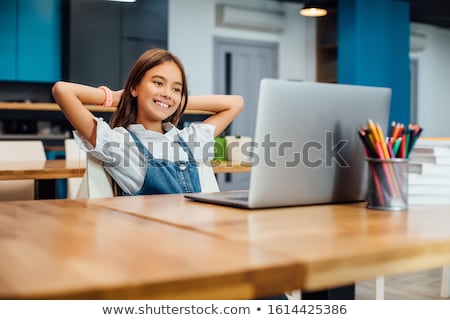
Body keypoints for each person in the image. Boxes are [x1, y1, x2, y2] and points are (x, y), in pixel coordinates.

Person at [52, 48, 243, 196]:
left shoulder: (187, 140)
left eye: (176, 88)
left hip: (194, 238)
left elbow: (235, 103)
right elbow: (63, 91)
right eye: (158, 83)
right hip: (150, 241)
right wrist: (122, 96)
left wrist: (173, 101)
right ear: (134, 87)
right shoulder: (119, 144)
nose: (168, 92)